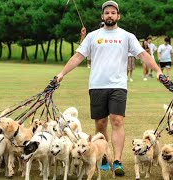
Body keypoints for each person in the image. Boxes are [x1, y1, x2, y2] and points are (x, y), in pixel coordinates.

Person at [55, 1, 163, 176]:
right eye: (107, 13)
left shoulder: (127, 36)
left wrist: (158, 71)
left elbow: (143, 54)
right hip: (97, 86)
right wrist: (61, 74)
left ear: (118, 16)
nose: (110, 15)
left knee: (117, 120)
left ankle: (118, 160)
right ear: (102, 16)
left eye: (113, 12)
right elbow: (78, 56)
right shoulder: (92, 36)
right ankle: (104, 155)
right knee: (101, 123)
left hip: (118, 86)